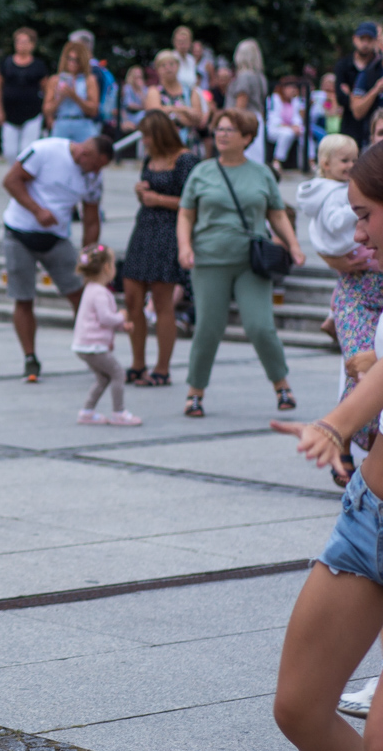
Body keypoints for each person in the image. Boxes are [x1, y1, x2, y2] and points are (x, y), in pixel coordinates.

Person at [268, 141, 383, 751]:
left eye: (364, 214)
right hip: (369, 516)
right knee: (300, 707)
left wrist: (337, 424)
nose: (356, 232)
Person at [176, 109, 304, 418]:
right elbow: (186, 214)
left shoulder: (261, 173)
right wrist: (184, 246)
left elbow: (276, 213)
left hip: (251, 262)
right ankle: (195, 392)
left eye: (229, 130)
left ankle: (282, 385)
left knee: (260, 326)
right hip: (210, 259)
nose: (221, 135)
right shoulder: (202, 172)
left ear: (247, 138)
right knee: (208, 327)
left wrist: (294, 246)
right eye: (219, 129)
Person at [296, 134, 375, 479]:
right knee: (361, 369)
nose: (352, 166)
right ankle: (344, 440)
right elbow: (328, 233)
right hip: (358, 291)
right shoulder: (337, 193)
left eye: (354, 159)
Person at [2, 135, 111, 381]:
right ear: (85, 153)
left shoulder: (93, 177)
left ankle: (93, 350)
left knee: (81, 295)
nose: (96, 172)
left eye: (100, 168)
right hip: (20, 232)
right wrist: (37, 210)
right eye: (95, 165)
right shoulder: (45, 150)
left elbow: (91, 220)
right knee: (23, 298)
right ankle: (30, 358)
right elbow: (10, 181)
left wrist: (89, 255)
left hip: (56, 237)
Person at [121, 111, 199, 387]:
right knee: (132, 296)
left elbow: (193, 202)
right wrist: (142, 193)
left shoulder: (185, 160)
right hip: (144, 227)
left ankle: (162, 368)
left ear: (160, 135)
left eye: (147, 136)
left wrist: (158, 199)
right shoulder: (149, 158)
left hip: (169, 230)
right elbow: (149, 196)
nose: (143, 141)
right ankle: (137, 363)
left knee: (162, 299)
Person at [72, 243, 141, 426]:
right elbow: (105, 318)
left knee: (103, 378)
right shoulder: (100, 293)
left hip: (85, 345)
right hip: (93, 346)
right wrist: (121, 316)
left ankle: (87, 412)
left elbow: (99, 321)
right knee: (118, 374)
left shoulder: (90, 289)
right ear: (107, 268)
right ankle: (119, 412)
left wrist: (121, 326)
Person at [0, 27, 49, 159]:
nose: (21, 45)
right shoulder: (7, 63)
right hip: (10, 113)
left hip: (32, 113)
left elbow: (46, 89)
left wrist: (46, 111)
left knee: (26, 150)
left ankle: (25, 172)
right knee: (9, 151)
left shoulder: (38, 65)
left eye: (25, 42)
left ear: (32, 44)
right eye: (18, 41)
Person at [146, 50, 203, 151]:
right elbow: (155, 116)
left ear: (178, 66)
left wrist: (169, 111)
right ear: (157, 70)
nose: (168, 68)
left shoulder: (191, 91)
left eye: (171, 64)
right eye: (163, 65)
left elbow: (198, 118)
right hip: (163, 146)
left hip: (188, 145)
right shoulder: (154, 91)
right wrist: (185, 110)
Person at [43, 41, 100, 143]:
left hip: (82, 123)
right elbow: (46, 110)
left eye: (77, 60)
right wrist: (60, 98)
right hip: (61, 122)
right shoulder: (55, 80)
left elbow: (93, 110)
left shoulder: (89, 80)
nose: (72, 63)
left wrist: (74, 96)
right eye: (70, 59)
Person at [334, 22, 380, 148]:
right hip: (350, 125)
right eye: (362, 39)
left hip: (373, 124)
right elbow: (341, 98)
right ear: (355, 39)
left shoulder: (377, 66)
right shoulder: (343, 65)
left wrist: (352, 95)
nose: (365, 44)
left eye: (369, 40)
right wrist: (364, 98)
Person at [227, 39, 268, 163]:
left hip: (244, 121)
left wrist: (232, 123)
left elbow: (241, 103)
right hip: (256, 119)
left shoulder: (244, 76)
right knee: (256, 158)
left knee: (244, 158)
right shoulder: (260, 77)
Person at [268, 76, 307, 176]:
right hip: (275, 129)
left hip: (291, 128)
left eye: (294, 88)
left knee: (305, 132)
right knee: (287, 134)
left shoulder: (296, 100)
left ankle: (308, 161)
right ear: (283, 88)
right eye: (290, 87)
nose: (292, 90)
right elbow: (274, 119)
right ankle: (277, 160)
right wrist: (290, 127)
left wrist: (297, 126)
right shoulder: (274, 99)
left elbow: (297, 118)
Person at [120, 66, 147, 133]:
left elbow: (146, 104)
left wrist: (140, 90)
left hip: (141, 115)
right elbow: (129, 105)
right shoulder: (127, 88)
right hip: (129, 116)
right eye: (136, 77)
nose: (138, 79)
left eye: (140, 77)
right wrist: (143, 107)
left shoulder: (144, 89)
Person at [172, 26, 198, 92]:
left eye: (185, 41)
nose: (182, 44)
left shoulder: (191, 59)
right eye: (179, 41)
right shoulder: (171, 58)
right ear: (174, 42)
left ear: (190, 43)